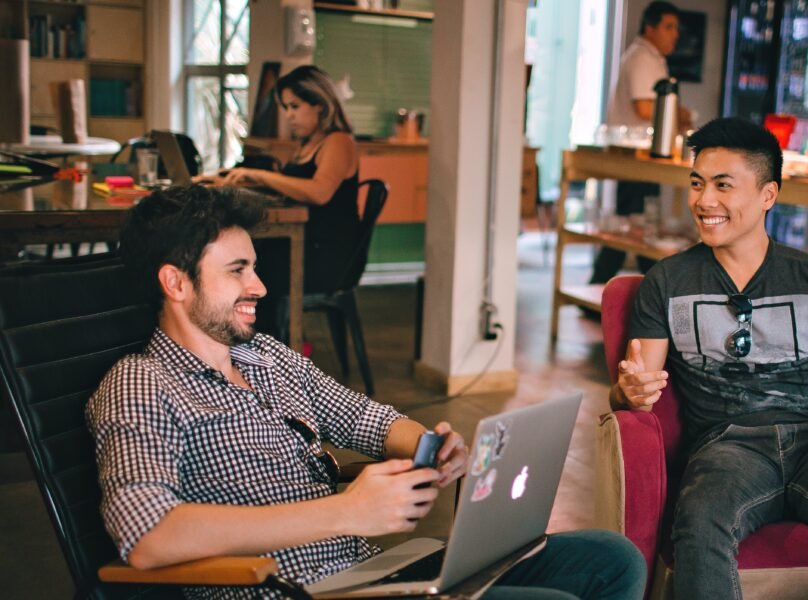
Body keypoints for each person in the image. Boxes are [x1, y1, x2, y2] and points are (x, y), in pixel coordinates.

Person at [88, 185, 646, 600]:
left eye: (254, 268)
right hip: (291, 590)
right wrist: (344, 511)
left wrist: (429, 445)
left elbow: (368, 420)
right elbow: (148, 536)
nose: (258, 286)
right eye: (237, 271)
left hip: (367, 576)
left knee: (612, 560)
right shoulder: (141, 383)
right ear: (176, 282)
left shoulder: (267, 357)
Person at [611, 118, 808, 600]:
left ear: (768, 195)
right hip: (726, 445)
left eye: (722, 185)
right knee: (699, 522)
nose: (703, 201)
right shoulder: (668, 282)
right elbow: (637, 386)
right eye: (697, 184)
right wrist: (626, 392)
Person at [197, 65, 361, 336]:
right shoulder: (308, 144)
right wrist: (237, 181)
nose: (289, 115)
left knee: (246, 270)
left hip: (327, 256)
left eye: (294, 106)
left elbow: (319, 192)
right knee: (238, 262)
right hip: (307, 244)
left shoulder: (339, 142)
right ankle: (244, 345)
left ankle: (261, 351)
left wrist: (258, 175)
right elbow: (294, 189)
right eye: (286, 107)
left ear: (319, 104)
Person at [590, 1, 691, 286]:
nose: (675, 35)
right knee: (635, 228)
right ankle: (647, 291)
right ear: (650, 27)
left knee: (637, 227)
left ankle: (642, 290)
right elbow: (646, 109)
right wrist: (681, 113)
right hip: (637, 158)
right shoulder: (642, 58)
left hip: (644, 158)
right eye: (669, 27)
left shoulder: (652, 58)